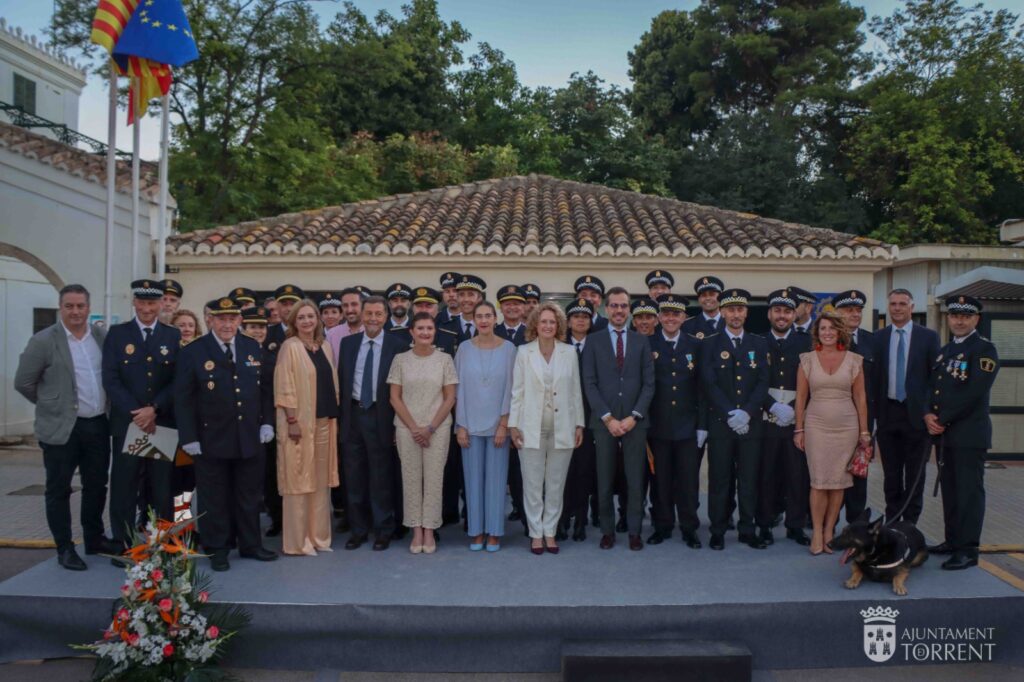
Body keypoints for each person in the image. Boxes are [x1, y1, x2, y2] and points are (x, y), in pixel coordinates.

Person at [14, 284, 119, 570]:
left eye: (80, 306)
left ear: (88, 307)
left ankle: (94, 538)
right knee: (59, 489)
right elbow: (23, 382)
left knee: (97, 485)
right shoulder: (44, 341)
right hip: (62, 429)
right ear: (61, 308)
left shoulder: (101, 336)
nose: (75, 311)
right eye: (69, 306)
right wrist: (53, 404)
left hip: (97, 425)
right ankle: (64, 547)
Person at [175, 297, 278, 570]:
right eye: (221, 319)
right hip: (211, 439)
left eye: (232, 319)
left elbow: (264, 390)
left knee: (249, 495)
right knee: (214, 497)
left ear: (239, 321)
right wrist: (189, 437)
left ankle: (250, 544)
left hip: (249, 437)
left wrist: (267, 423)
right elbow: (183, 398)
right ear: (209, 320)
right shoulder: (194, 351)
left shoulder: (251, 347)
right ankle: (217, 548)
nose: (227, 324)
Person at [103, 279, 180, 552]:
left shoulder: (172, 336)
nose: (147, 308)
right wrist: (138, 414)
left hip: (160, 424)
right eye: (142, 302)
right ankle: (122, 545)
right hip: (129, 424)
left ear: (161, 304)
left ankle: (163, 545)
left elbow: (176, 380)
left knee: (161, 489)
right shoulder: (117, 334)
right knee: (124, 488)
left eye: (152, 303)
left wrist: (154, 409)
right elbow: (111, 379)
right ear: (134, 303)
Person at [926, 296, 1000, 570]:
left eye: (966, 316)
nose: (959, 320)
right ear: (948, 318)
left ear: (976, 319)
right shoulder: (945, 351)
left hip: (969, 435)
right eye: (955, 315)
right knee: (951, 491)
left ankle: (968, 550)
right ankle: (952, 540)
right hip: (945, 435)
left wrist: (942, 418)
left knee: (968, 493)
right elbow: (931, 387)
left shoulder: (983, 350)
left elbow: (973, 392)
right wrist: (928, 415)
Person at [582, 287, 655, 551]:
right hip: (604, 423)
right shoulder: (594, 340)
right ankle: (607, 530)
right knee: (604, 478)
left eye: (624, 306)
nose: (619, 311)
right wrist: (607, 417)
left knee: (635, 480)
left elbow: (649, 384)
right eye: (614, 306)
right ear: (606, 308)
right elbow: (589, 383)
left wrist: (635, 416)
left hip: (635, 422)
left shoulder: (641, 341)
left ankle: (634, 531)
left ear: (629, 310)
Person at [510, 303, 585, 555]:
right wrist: (513, 424)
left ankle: (550, 531)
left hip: (562, 427)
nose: (548, 326)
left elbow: (575, 390)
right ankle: (535, 533)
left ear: (559, 326)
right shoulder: (523, 352)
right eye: (543, 321)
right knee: (532, 484)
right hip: (530, 426)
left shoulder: (568, 352)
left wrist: (579, 423)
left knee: (555, 483)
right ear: (535, 324)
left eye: (552, 322)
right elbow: (517, 391)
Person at [700, 289, 771, 551]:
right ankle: (717, 529)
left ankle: (747, 529)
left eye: (740, 309)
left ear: (746, 313)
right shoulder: (709, 343)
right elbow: (708, 383)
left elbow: (763, 381)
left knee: (749, 479)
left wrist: (747, 412)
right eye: (730, 309)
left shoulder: (758, 343)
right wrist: (730, 413)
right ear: (723, 312)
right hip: (721, 424)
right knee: (719, 479)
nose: (735, 314)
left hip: (751, 425)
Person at [794, 312, 870, 555]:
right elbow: (801, 397)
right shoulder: (806, 359)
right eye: (823, 328)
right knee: (818, 482)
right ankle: (816, 530)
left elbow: (860, 397)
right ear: (817, 333)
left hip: (847, 427)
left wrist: (865, 431)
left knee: (838, 483)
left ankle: (830, 530)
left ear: (840, 332)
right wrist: (799, 428)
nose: (827, 332)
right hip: (816, 424)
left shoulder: (854, 360)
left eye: (832, 328)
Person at [273, 299, 340, 556]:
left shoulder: (324, 346)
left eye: (311, 316)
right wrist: (291, 421)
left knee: (320, 483)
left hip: (324, 423)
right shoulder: (289, 347)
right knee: (299, 481)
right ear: (293, 322)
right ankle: (298, 542)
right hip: (299, 425)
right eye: (301, 317)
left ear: (318, 319)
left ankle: (319, 537)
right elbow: (284, 386)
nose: (307, 321)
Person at [388, 313, 459, 553]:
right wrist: (414, 427)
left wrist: (429, 428)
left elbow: (450, 397)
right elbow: (394, 397)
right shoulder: (400, 359)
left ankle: (429, 529)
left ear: (434, 331)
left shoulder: (445, 359)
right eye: (420, 328)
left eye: (429, 328)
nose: (425, 333)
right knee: (410, 479)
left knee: (433, 480)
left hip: (437, 429)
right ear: (411, 331)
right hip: (407, 428)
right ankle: (415, 529)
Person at [338, 296, 404, 550]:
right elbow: (343, 382)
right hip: (353, 415)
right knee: (353, 477)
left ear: (386, 317)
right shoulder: (348, 344)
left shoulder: (397, 346)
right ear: (361, 315)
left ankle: (383, 530)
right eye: (369, 314)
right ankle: (358, 530)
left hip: (381, 416)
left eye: (378, 314)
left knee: (381, 477)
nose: (373, 318)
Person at [875, 289, 940, 524]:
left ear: (911, 307)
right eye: (893, 303)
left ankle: (910, 524)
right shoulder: (879, 337)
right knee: (891, 475)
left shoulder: (929, 337)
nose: (897, 308)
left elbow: (935, 379)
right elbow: (875, 379)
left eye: (903, 303)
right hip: (888, 413)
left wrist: (929, 411)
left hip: (917, 416)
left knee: (915, 475)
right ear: (888, 307)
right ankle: (892, 522)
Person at [455, 302, 516, 551]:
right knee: (472, 481)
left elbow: (512, 388)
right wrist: (460, 425)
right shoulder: (464, 349)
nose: (483, 320)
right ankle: (477, 531)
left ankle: (494, 532)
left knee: (496, 482)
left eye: (488, 316)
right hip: (469, 425)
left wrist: (504, 424)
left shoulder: (510, 349)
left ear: (495, 318)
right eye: (479, 316)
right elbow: (457, 390)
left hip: (497, 426)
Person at [646, 294, 706, 548]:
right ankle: (662, 526)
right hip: (657, 426)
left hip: (688, 426)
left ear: (683, 318)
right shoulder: (646, 344)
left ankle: (689, 527)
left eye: (676, 314)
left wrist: (702, 424)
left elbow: (703, 388)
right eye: (666, 314)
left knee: (688, 481)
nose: (671, 318)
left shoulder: (696, 345)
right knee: (660, 481)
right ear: (659, 317)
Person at [757, 289, 812, 546]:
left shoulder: (806, 343)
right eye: (777, 311)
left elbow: (812, 381)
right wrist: (771, 406)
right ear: (769, 313)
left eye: (787, 311)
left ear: (794, 315)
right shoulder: (757, 342)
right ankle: (765, 524)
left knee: (797, 475)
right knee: (766, 474)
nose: (782, 316)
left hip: (796, 418)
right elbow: (752, 383)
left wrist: (794, 409)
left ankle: (795, 525)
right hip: (766, 418)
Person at [832, 289, 876, 525]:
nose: (855, 314)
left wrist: (871, 426)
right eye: (849, 310)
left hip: (862, 421)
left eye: (858, 310)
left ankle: (856, 526)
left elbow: (878, 385)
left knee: (859, 475)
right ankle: (829, 526)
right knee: (832, 474)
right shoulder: (827, 341)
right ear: (838, 313)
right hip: (832, 421)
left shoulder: (872, 341)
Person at [559, 298, 596, 541]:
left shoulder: (599, 345)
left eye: (585, 316)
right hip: (562, 418)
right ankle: (561, 521)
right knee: (561, 472)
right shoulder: (558, 346)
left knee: (584, 472)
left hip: (591, 420)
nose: (580, 320)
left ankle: (582, 521)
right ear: (569, 321)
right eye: (576, 316)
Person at [326, 287, 365, 362]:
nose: (349, 310)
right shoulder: (331, 335)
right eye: (345, 305)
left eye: (354, 304)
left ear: (363, 306)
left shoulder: (373, 333)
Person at [444, 274, 486, 341]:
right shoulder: (443, 328)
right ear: (457, 298)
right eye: (461, 294)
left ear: (479, 298)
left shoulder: (490, 328)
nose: (466, 299)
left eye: (471, 294)